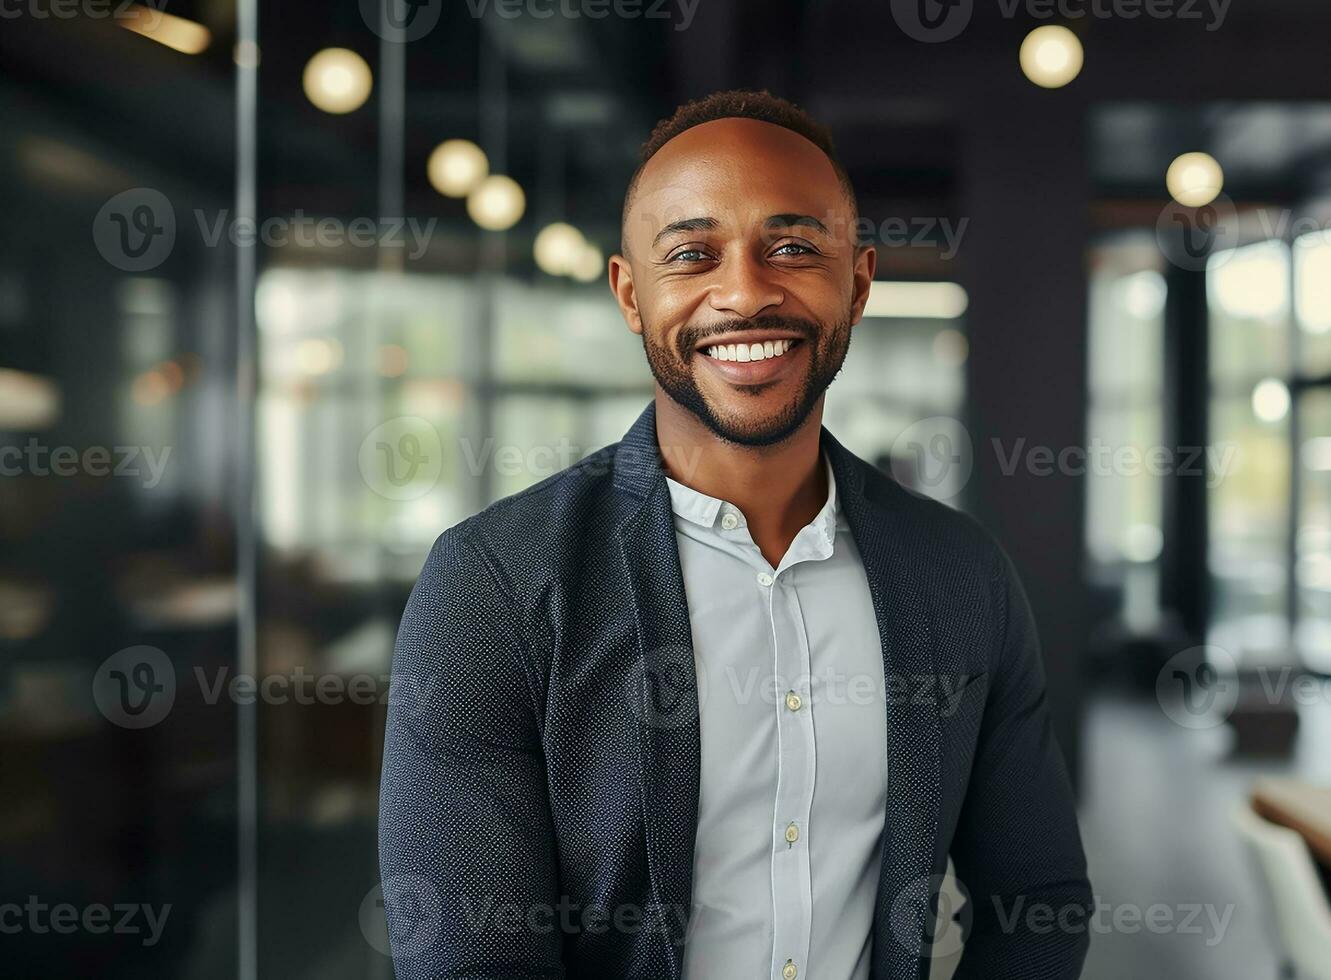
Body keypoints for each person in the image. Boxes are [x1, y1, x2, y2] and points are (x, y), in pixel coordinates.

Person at [379, 89, 1091, 980]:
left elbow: (1041, 899)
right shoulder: (492, 583)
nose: (747, 290)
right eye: (693, 254)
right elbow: (470, 961)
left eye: (793, 247)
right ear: (632, 295)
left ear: (858, 283)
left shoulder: (961, 576)